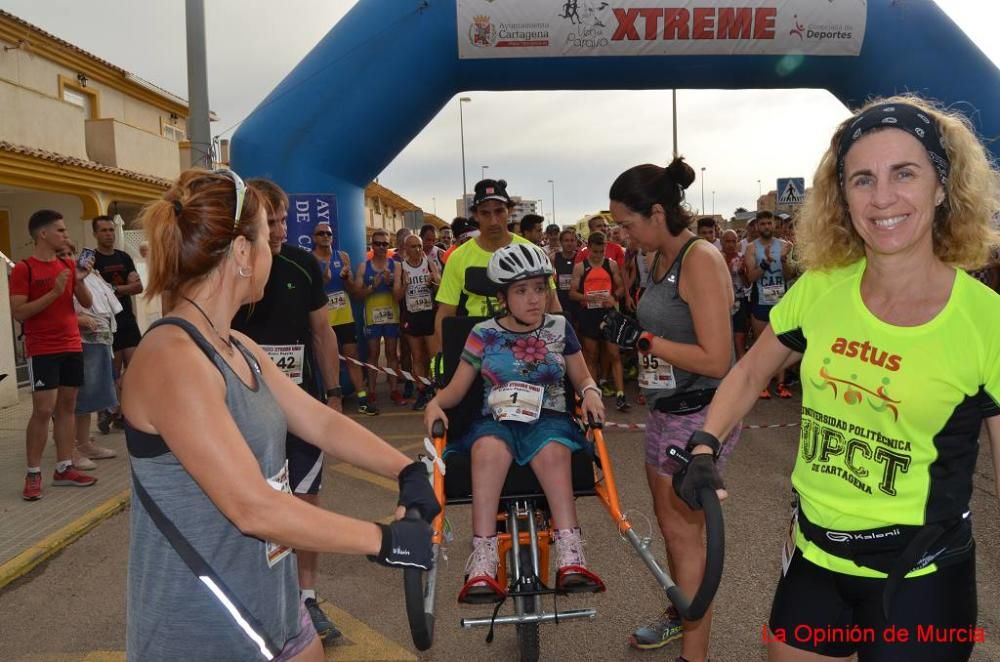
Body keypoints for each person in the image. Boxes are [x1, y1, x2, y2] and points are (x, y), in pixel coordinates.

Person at [682, 96, 1000, 662]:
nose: (882, 198)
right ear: (842, 197)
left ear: (942, 187)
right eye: (862, 179)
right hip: (814, 558)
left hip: (922, 576)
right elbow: (753, 368)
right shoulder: (822, 289)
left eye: (905, 173)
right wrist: (705, 441)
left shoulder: (987, 322)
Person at [122, 168, 435, 661]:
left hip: (274, 609)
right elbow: (253, 508)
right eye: (267, 238)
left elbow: (320, 422)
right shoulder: (173, 359)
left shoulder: (239, 346)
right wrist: (383, 539)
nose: (275, 250)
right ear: (244, 253)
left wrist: (406, 469)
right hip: (203, 633)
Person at [603, 157, 739, 659]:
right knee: (671, 526)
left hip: (699, 413)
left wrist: (643, 340)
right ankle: (682, 614)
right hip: (665, 408)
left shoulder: (699, 258)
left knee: (685, 535)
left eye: (627, 223)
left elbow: (718, 355)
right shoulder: (655, 257)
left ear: (657, 212)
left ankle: (694, 652)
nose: (623, 232)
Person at [424, 243, 605, 602]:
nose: (534, 299)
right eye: (522, 291)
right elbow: (456, 389)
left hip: (549, 419)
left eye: (540, 288)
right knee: (487, 448)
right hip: (498, 419)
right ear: (503, 297)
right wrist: (434, 405)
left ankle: (570, 554)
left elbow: (583, 377)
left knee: (553, 449)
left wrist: (592, 392)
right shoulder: (483, 334)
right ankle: (483, 561)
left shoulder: (559, 327)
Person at [231, 178, 348, 646]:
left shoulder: (302, 265)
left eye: (283, 220)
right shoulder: (234, 271)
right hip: (244, 410)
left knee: (306, 500)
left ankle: (308, 598)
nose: (279, 230)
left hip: (302, 408)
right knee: (249, 501)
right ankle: (253, 597)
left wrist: (336, 394)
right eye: (270, 221)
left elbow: (323, 334)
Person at [10, 210, 96, 500]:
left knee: (67, 408)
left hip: (71, 344)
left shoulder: (66, 266)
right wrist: (53, 292)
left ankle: (64, 467)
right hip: (42, 348)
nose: (65, 234)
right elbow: (19, 312)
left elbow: (86, 302)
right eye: (60, 230)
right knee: (44, 410)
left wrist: (78, 278)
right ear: (43, 234)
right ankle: (33, 473)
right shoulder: (25, 269)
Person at [433, 179, 560, 358]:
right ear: (476, 216)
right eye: (485, 213)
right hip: (477, 353)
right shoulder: (458, 258)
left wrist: (557, 353)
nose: (493, 221)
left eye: (499, 211)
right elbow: (445, 314)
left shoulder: (531, 252)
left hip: (527, 350)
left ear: (510, 211)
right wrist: (442, 359)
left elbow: (552, 303)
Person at [62, 241, 119, 470]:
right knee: (73, 401)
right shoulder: (58, 279)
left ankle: (84, 443)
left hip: (97, 339)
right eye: (61, 253)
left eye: (70, 253)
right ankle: (70, 450)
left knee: (90, 396)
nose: (67, 257)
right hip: (75, 342)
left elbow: (94, 302)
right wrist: (78, 320)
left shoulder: (83, 276)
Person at [311, 222, 373, 415]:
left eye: (328, 233)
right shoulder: (310, 259)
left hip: (344, 317)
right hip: (323, 319)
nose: (325, 236)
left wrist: (346, 278)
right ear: (314, 238)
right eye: (320, 233)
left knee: (352, 358)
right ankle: (330, 399)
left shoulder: (343, 256)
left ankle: (362, 399)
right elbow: (309, 293)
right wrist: (323, 280)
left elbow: (354, 291)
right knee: (325, 361)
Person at [91, 215, 144, 430]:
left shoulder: (124, 257)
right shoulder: (91, 258)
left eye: (111, 230)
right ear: (95, 234)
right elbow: (92, 291)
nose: (108, 234)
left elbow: (138, 287)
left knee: (134, 369)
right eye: (103, 230)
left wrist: (112, 289)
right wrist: (122, 289)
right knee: (112, 371)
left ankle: (125, 413)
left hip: (127, 320)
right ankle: (107, 410)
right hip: (105, 322)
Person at [570, 232, 629, 412]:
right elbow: (572, 293)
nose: (597, 255)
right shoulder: (580, 267)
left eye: (601, 251)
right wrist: (587, 298)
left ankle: (621, 395)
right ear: (588, 248)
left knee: (614, 354)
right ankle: (593, 394)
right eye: (594, 251)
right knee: (591, 355)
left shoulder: (610, 264)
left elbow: (620, 287)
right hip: (589, 314)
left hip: (607, 313)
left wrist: (614, 297)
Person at [745, 210, 795, 399]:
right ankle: (762, 384)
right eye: (763, 223)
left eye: (769, 223)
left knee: (781, 343)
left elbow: (789, 276)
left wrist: (782, 260)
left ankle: (781, 384)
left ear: (774, 225)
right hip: (761, 301)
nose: (766, 226)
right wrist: (766, 262)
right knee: (760, 345)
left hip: (781, 302)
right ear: (757, 226)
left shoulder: (785, 246)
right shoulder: (751, 248)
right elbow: (750, 277)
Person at [354, 229, 404, 405]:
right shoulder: (363, 267)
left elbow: (398, 296)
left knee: (391, 353)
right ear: (372, 245)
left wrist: (390, 283)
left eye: (385, 244)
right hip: (372, 317)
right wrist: (372, 287)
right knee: (373, 353)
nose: (382, 247)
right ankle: (372, 391)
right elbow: (357, 295)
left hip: (391, 316)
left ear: (389, 245)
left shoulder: (395, 266)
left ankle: (394, 390)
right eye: (378, 243)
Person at [394, 233, 440, 411]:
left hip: (428, 314)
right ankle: (421, 390)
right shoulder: (401, 267)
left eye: (419, 246)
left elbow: (441, 287)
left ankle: (434, 388)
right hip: (411, 316)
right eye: (413, 246)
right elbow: (396, 295)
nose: (418, 250)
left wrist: (433, 283)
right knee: (417, 356)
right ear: (405, 249)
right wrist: (405, 285)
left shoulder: (429, 263)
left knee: (433, 355)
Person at [721, 229, 751, 360]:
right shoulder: (715, 257)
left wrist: (742, 272)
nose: (731, 244)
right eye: (727, 241)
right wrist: (727, 268)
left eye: (734, 241)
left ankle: (740, 374)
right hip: (721, 304)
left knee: (740, 341)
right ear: (721, 242)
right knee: (724, 342)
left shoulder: (741, 257)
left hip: (739, 302)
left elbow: (748, 284)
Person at [552, 228, 579, 321]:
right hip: (561, 299)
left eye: (572, 240)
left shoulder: (580, 257)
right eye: (566, 240)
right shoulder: (554, 257)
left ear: (576, 242)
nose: (569, 243)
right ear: (561, 242)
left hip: (577, 299)